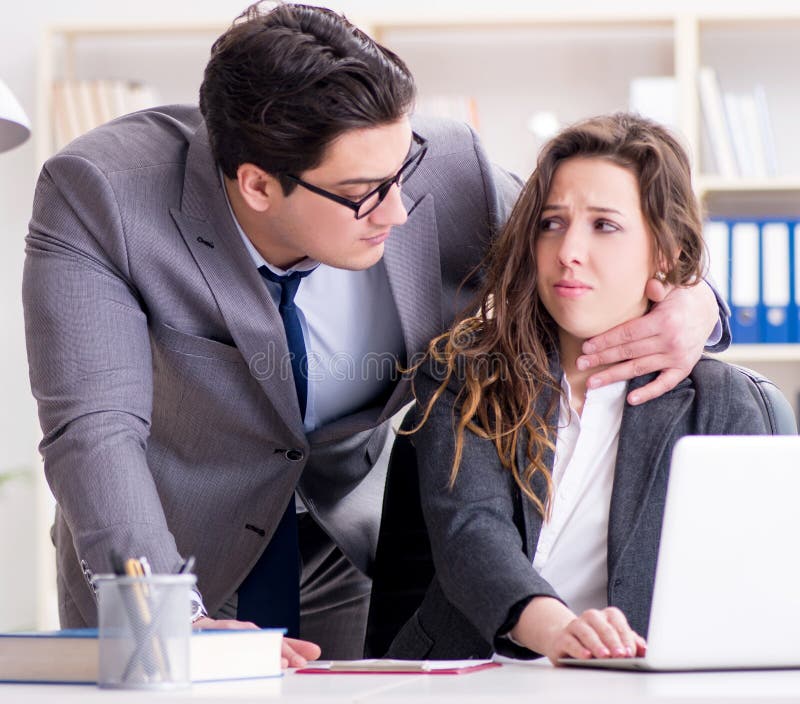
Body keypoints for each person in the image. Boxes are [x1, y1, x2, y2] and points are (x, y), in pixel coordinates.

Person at [23, 1, 724, 665]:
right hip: (164, 558)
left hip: (339, 553)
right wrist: (166, 614)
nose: (398, 211)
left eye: (402, 170)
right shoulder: (103, 198)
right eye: (364, 192)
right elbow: (95, 432)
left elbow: (604, 260)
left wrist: (700, 304)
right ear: (259, 185)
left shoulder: (447, 171)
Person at [384, 113, 772, 664]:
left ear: (664, 253)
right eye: (552, 223)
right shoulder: (465, 372)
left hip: (637, 680)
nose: (568, 251)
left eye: (604, 225)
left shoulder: (722, 405)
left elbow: (745, 585)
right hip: (467, 671)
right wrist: (558, 631)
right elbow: (471, 531)